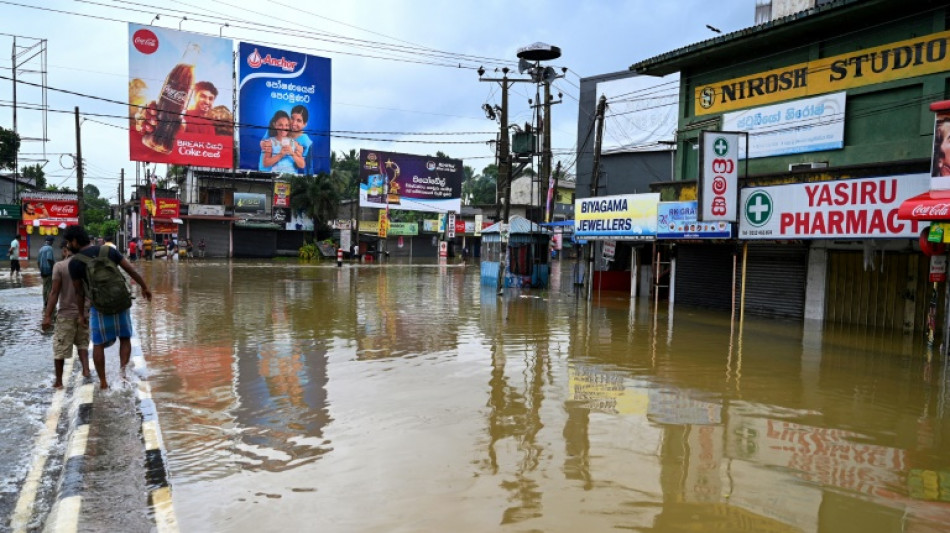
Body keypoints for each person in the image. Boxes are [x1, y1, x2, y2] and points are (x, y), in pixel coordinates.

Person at [63, 225, 152, 390]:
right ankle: (123, 375)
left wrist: (82, 315)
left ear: (75, 241)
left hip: (99, 307)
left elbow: (79, 292)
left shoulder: (75, 263)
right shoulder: (108, 250)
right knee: (124, 337)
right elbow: (131, 270)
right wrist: (144, 287)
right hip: (121, 301)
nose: (68, 245)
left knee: (98, 343)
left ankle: (103, 382)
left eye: (69, 242)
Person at [42, 242, 91, 388]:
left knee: (60, 349)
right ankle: (86, 370)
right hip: (85, 313)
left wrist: (47, 316)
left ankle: (58, 381)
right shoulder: (86, 265)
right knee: (83, 343)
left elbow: (54, 292)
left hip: (66, 314)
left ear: (65, 251)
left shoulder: (60, 266)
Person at [260, 105, 312, 174]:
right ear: (275, 125)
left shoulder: (297, 143)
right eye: (292, 118)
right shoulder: (271, 141)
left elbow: (302, 165)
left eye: (299, 121)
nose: (294, 123)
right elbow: (265, 162)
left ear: (304, 124)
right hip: (275, 175)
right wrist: (280, 154)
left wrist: (292, 153)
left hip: (292, 177)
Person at [38, 236, 56, 308]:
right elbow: (49, 259)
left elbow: (38, 262)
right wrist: (53, 269)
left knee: (44, 287)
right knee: (49, 287)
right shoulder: (50, 248)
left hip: (43, 271)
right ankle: (48, 303)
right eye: (52, 241)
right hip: (49, 271)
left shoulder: (41, 249)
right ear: (51, 241)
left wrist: (41, 270)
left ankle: (45, 302)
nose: (53, 243)